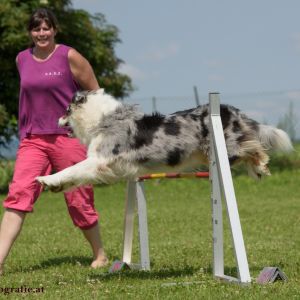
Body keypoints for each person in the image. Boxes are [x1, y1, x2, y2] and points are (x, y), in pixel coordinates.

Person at [0, 8, 108, 275]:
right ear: (30, 32)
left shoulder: (69, 56)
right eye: (36, 29)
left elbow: (95, 92)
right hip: (33, 140)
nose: (41, 33)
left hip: (66, 138)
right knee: (18, 195)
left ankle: (100, 255)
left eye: (46, 28)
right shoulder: (22, 59)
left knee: (78, 199)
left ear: (55, 30)